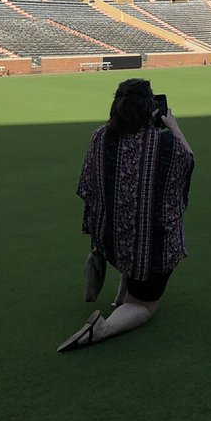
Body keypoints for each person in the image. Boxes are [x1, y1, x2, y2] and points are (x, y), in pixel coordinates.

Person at [57, 78, 195, 352]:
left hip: (110, 241)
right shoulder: (165, 145)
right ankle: (105, 327)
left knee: (128, 217)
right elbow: (188, 162)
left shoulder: (100, 136)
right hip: (152, 250)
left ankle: (124, 289)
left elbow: (87, 187)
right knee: (144, 305)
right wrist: (174, 127)